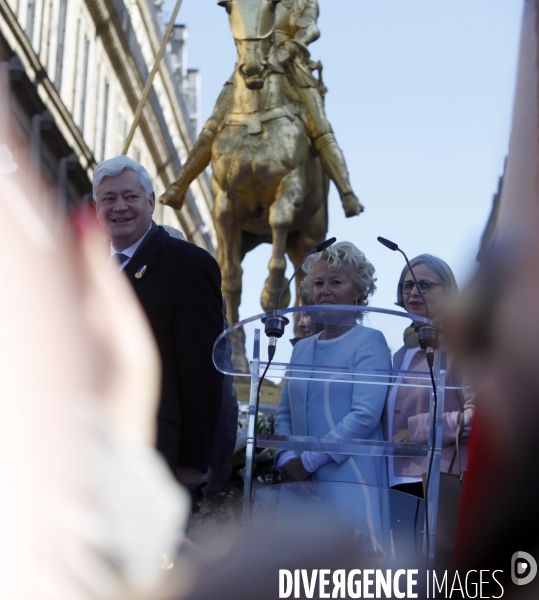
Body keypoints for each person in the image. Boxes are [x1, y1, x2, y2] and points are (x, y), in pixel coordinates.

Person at [93, 156, 225, 493]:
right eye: (108, 198)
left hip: (152, 457)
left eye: (130, 196)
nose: (119, 206)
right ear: (97, 208)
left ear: (151, 202)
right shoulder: (85, 267)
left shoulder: (188, 265)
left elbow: (201, 372)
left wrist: (193, 464)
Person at [161, 0, 362, 219]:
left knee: (320, 128)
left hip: (292, 67)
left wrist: (292, 47)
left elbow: (311, 28)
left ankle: (347, 193)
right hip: (251, 60)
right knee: (214, 123)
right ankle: (179, 186)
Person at [274, 242, 391, 549]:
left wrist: (308, 462)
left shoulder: (370, 342)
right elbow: (283, 414)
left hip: (348, 480)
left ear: (359, 292)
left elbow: (364, 415)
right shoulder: (300, 348)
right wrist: (288, 460)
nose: (324, 290)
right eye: (319, 283)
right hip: (298, 486)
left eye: (336, 282)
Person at [386, 254, 475, 499]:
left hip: (444, 478)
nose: (414, 292)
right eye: (408, 285)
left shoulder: (462, 347)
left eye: (424, 285)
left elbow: (480, 417)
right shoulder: (400, 354)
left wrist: (419, 431)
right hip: (392, 482)